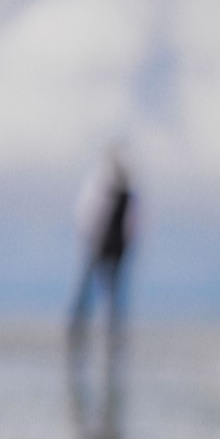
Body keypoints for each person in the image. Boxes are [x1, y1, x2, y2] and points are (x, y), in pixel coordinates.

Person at [68, 147, 136, 351]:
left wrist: (89, 239)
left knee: (101, 291)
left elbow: (86, 214)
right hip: (109, 246)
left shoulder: (105, 187)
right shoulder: (109, 187)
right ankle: (85, 329)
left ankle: (98, 330)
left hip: (105, 245)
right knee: (104, 292)